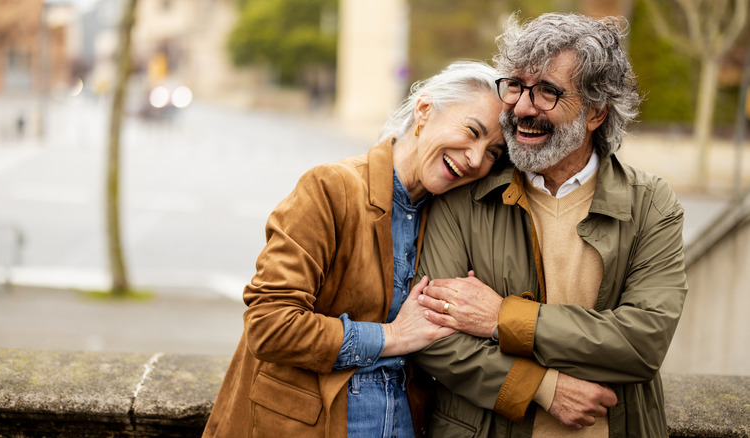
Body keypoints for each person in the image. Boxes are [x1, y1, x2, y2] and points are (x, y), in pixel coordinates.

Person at [412, 13, 688, 437]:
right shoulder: (465, 192)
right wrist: (541, 387)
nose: (522, 106)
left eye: (547, 92)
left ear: (595, 112)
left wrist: (501, 317)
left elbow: (642, 343)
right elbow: (435, 334)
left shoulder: (651, 204)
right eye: (517, 86)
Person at [202, 61, 506, 438]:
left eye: (493, 152)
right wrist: (391, 337)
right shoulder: (331, 188)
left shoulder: (448, 215)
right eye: (472, 131)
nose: (476, 159)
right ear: (424, 111)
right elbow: (269, 325)